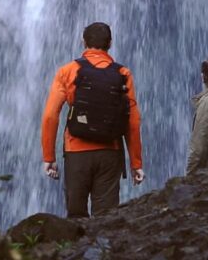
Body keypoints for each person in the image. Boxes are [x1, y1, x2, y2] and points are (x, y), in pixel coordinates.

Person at [40, 22, 144, 218]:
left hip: (76, 152)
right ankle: (103, 249)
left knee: (75, 215)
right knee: (106, 218)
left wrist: (49, 157)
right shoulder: (123, 74)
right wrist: (136, 163)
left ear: (83, 42)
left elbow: (50, 115)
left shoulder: (67, 71)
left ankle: (75, 248)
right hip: (110, 152)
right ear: (110, 43)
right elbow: (133, 122)